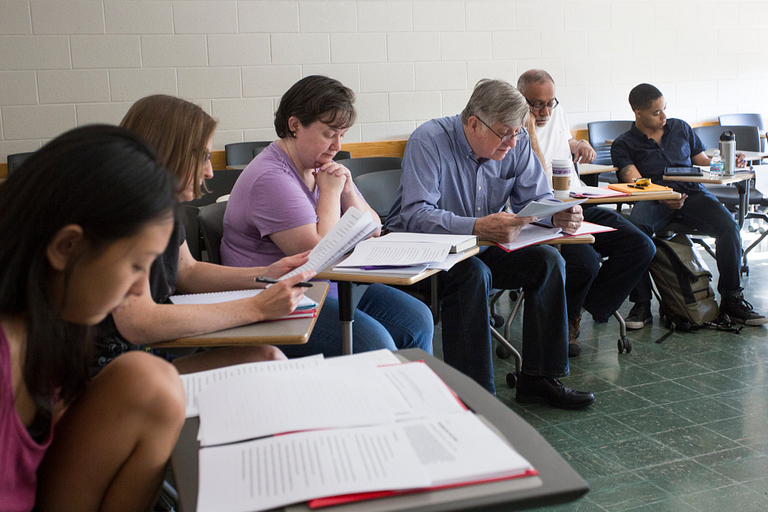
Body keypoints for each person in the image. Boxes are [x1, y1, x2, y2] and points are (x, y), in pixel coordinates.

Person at [0, 125, 185, 511]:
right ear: (67, 247)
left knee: (150, 380)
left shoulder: (51, 328)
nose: (139, 289)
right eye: (137, 266)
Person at [385, 78, 595, 409]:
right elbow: (415, 216)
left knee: (549, 262)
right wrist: (476, 226)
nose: (513, 143)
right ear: (473, 123)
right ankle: (476, 398)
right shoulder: (429, 141)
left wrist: (555, 216)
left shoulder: (516, 138)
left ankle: (539, 379)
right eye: (505, 134)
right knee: (473, 274)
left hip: (484, 244)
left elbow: (535, 198)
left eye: (517, 133)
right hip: (427, 252)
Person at [94, 95, 315, 375]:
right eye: (203, 157)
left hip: (140, 360)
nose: (210, 172)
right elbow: (137, 321)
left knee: (267, 358)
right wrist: (256, 308)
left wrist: (266, 275)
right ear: (167, 152)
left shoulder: (164, 206)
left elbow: (186, 271)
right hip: (106, 371)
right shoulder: (119, 216)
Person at [221, 75, 433, 357]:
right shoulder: (271, 177)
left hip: (329, 285)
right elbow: (318, 255)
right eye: (328, 133)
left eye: (342, 135)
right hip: (277, 297)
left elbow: (374, 228)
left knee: (418, 319)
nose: (337, 145)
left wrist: (346, 192)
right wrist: (331, 193)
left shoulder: (320, 166)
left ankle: (417, 398)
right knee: (375, 344)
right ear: (295, 125)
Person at [517, 69, 656, 354]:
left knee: (641, 244)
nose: (545, 111)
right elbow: (532, 171)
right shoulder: (512, 124)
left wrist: (578, 144)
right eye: (536, 104)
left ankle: (586, 306)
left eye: (550, 102)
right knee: (585, 262)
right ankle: (566, 322)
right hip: (538, 213)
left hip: (575, 200)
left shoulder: (556, 111)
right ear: (520, 100)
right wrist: (527, 123)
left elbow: (562, 140)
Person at [612, 83, 767, 327]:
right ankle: (641, 304)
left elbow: (702, 161)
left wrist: (730, 161)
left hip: (693, 193)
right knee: (636, 233)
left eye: (665, 109)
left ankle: (732, 300)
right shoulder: (624, 144)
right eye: (656, 113)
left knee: (728, 226)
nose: (664, 117)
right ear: (638, 113)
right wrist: (664, 196)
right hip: (655, 198)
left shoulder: (680, 127)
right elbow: (634, 180)